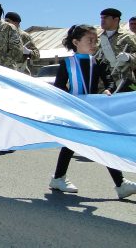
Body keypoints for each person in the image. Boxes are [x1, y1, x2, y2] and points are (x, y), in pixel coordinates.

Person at [48, 24, 136, 199]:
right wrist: (70, 100)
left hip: (93, 109)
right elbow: (58, 87)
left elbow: (109, 81)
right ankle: (59, 178)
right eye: (90, 40)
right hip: (74, 109)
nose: (94, 43)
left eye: (96, 40)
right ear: (75, 42)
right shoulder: (67, 63)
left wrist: (108, 90)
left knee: (101, 143)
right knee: (72, 144)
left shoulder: (98, 62)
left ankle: (120, 184)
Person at [96, 8, 136, 92]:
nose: (102, 20)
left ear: (116, 19)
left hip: (123, 82)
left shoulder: (129, 36)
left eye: (106, 17)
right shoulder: (97, 38)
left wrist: (130, 57)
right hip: (103, 85)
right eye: (101, 18)